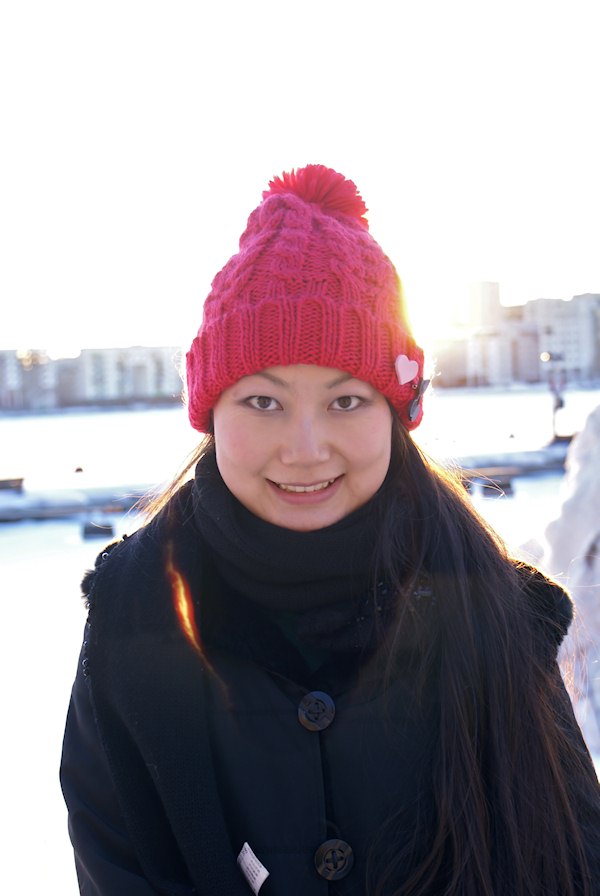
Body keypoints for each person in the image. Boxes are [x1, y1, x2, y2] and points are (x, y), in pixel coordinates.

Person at [60, 164, 600, 896]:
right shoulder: (137, 617)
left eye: (346, 401)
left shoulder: (497, 610)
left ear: (397, 415)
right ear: (210, 411)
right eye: (264, 402)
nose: (306, 449)